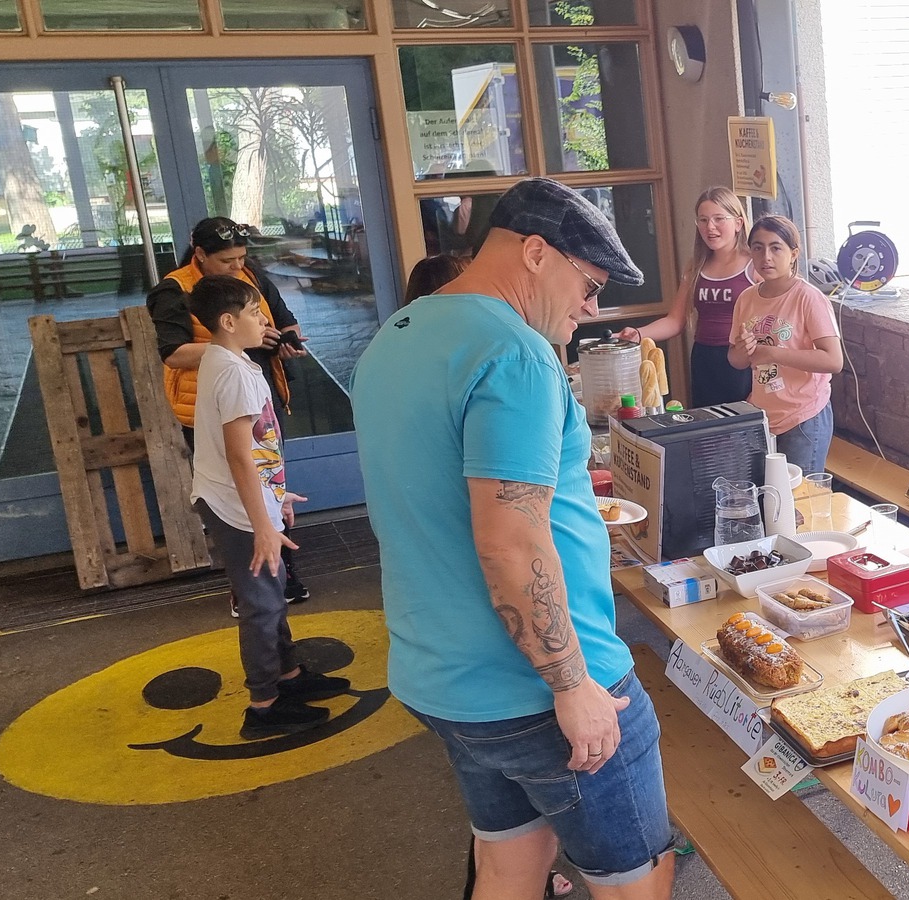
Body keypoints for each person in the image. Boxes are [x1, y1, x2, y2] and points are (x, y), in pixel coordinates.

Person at [353, 178, 674, 900]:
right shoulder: (517, 355)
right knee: (637, 879)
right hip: (540, 687)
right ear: (535, 252)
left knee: (506, 864)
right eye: (589, 284)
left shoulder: (398, 334)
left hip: (442, 678)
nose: (591, 308)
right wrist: (572, 684)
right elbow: (511, 544)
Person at [401, 249, 576, 900]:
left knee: (507, 845)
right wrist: (572, 684)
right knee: (549, 839)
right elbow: (507, 542)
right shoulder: (504, 361)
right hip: (501, 669)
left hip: (443, 662)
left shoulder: (402, 365)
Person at [183, 276, 347, 739]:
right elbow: (238, 453)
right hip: (238, 511)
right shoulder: (233, 372)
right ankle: (263, 706)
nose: (265, 320)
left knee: (272, 597)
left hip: (247, 502)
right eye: (256, 313)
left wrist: (277, 495)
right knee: (261, 605)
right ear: (228, 321)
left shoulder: (230, 360)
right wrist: (262, 525)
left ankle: (287, 677)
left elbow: (255, 449)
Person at [148, 217, 312, 612]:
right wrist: (233, 345)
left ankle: (281, 570)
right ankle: (245, 584)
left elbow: (284, 318)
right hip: (209, 405)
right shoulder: (174, 289)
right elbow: (173, 353)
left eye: (242, 257)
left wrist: (285, 339)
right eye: (226, 260)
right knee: (234, 494)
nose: (237, 267)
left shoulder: (250, 277)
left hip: (259, 396)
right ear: (200, 255)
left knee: (269, 478)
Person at [615, 186, 755, 407]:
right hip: (704, 359)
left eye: (719, 219)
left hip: (744, 362)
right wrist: (637, 334)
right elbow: (675, 321)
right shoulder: (696, 267)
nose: (710, 227)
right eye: (703, 220)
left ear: (738, 223)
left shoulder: (754, 265)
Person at [727, 215, 842, 475]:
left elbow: (833, 360)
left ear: (793, 254)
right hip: (762, 415)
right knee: (769, 497)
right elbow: (735, 359)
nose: (766, 256)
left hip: (804, 415)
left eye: (775, 247)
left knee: (803, 501)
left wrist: (773, 353)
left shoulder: (808, 298)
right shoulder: (746, 298)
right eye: (758, 248)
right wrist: (743, 351)